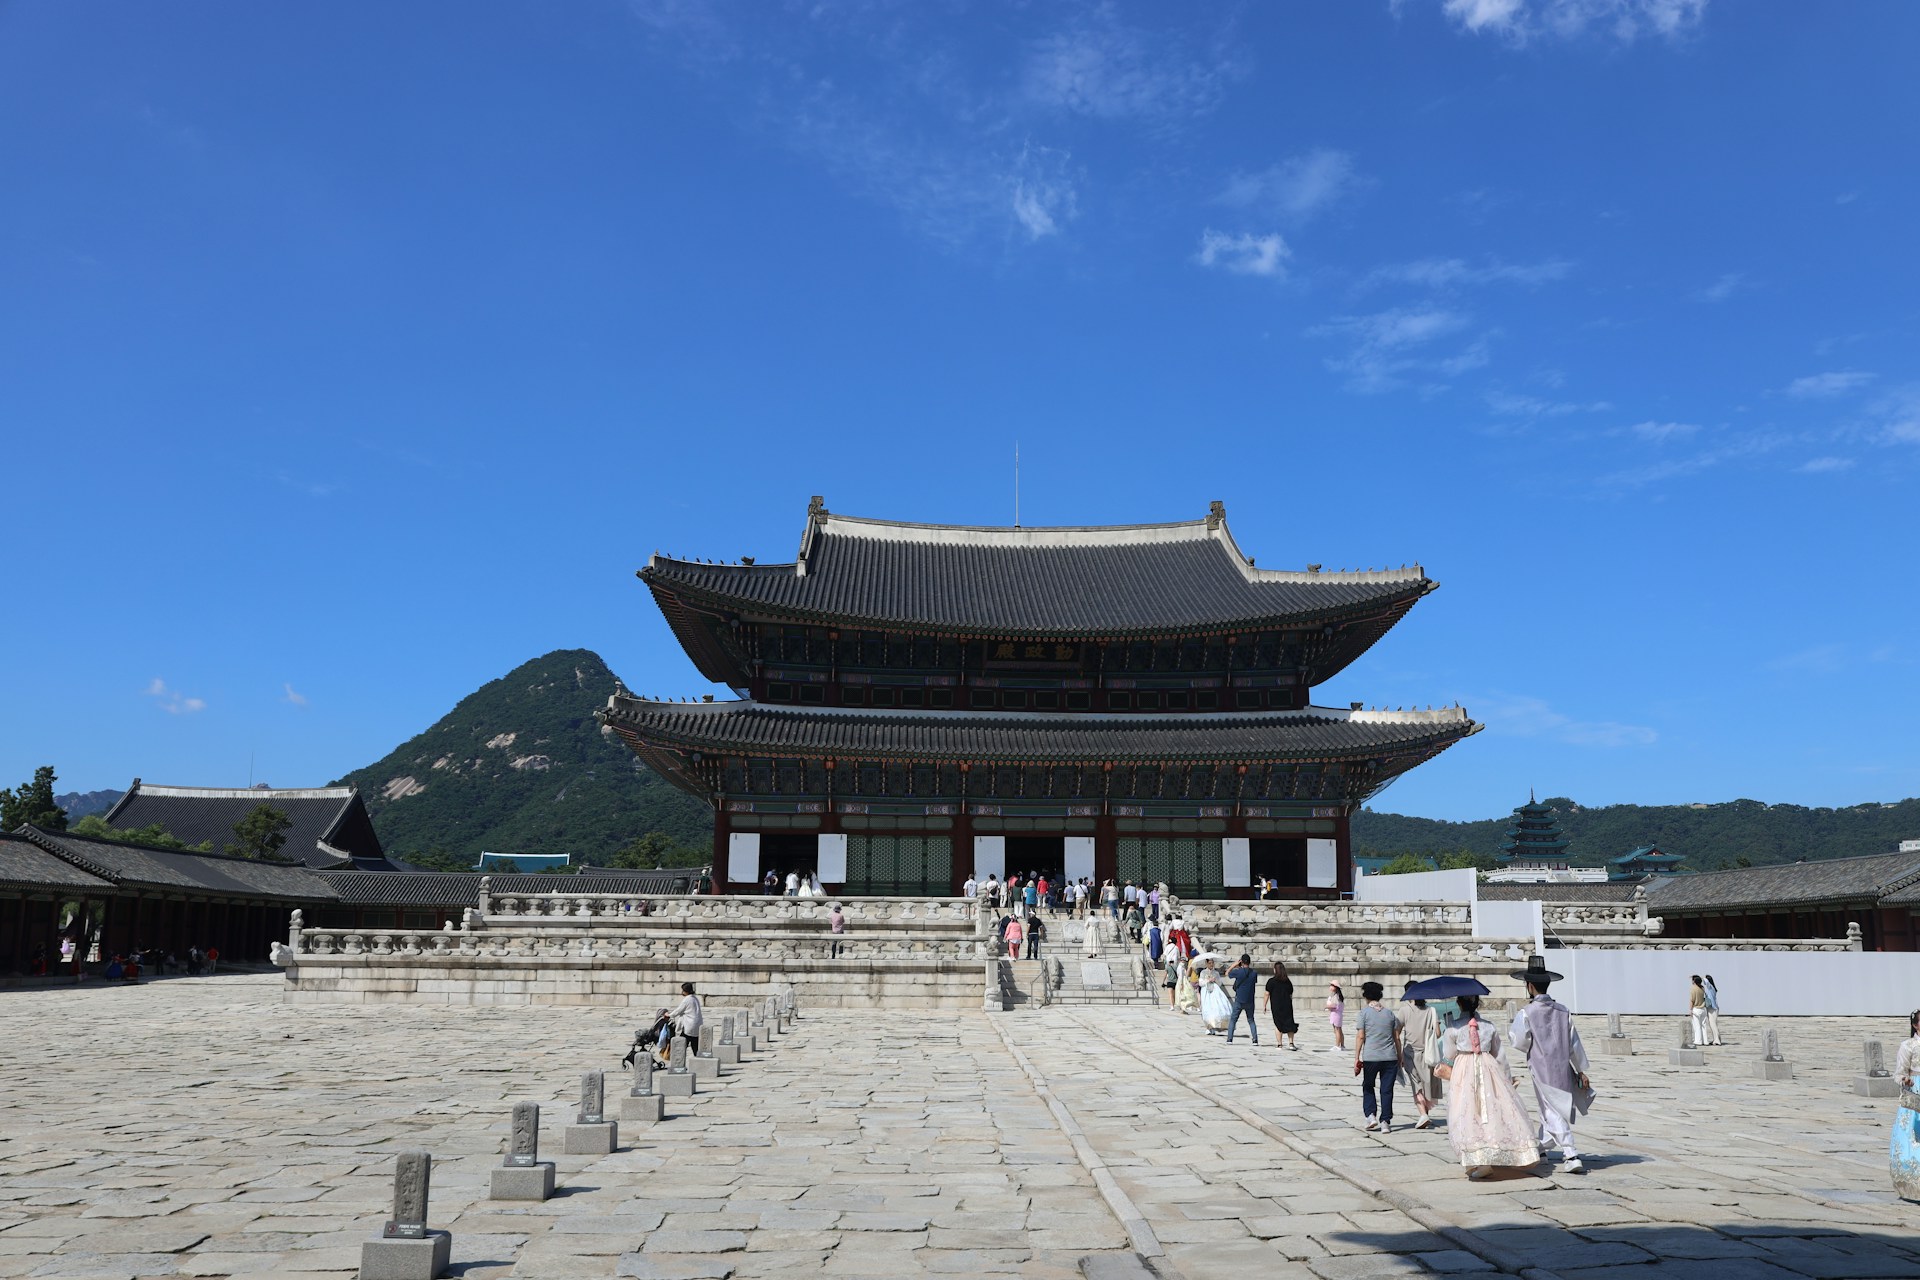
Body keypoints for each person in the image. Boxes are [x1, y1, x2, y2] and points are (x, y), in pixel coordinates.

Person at [1439, 994, 1539, 1179]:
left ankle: (1476, 1158)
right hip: (1488, 1067)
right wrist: (1507, 1081)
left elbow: (1448, 1054)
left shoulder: (1453, 1027)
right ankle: (1497, 1151)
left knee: (1466, 1111)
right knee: (1491, 1111)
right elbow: (1500, 1056)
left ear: (1458, 1003)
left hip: (1464, 1070)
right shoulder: (1488, 1026)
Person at [1509, 955, 1591, 1174]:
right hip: (1563, 1068)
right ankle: (1540, 1148)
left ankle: (1570, 1153)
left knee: (1553, 1109)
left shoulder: (1527, 1013)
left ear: (1530, 986)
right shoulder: (1563, 1011)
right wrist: (1580, 1069)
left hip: (1541, 1067)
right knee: (1550, 1109)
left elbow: (1519, 1041)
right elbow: (1574, 1043)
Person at [1354, 982, 1401, 1130]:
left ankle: (1371, 1115)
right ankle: (1385, 1122)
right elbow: (1397, 1037)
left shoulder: (1363, 1013)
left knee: (1368, 1086)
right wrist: (1400, 1056)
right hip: (1390, 1057)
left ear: (1365, 996)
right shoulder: (1390, 1013)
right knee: (1387, 1090)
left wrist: (1356, 1057)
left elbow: (1360, 1036)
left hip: (1371, 1057)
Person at [1398, 981, 1440, 1128]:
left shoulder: (1404, 1010)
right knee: (1426, 1084)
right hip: (1428, 1054)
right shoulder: (1431, 1010)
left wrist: (1399, 1054)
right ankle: (1426, 1115)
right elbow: (1438, 1034)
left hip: (1411, 1054)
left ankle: (1423, 1114)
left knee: (1416, 1086)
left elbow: (1396, 1032)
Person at [1891, 1008, 1920, 1201]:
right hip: (1916, 1093)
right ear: (1915, 1025)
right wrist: (1906, 1080)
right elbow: (1899, 1073)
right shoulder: (1908, 1045)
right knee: (1913, 1138)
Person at [1225, 954, 1260, 1046]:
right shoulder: (1254, 973)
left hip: (1239, 1000)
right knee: (1251, 1020)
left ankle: (1229, 1039)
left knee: (1233, 1019)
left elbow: (1227, 973)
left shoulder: (1238, 972)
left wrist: (1234, 965)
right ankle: (1255, 1039)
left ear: (1242, 962)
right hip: (1250, 1000)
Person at [1264, 961, 1299, 1050]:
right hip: (1287, 1005)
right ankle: (1291, 1043)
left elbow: (1267, 994)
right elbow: (1290, 994)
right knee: (1289, 1023)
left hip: (1276, 1006)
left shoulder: (1271, 981)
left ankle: (1279, 1044)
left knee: (1278, 1024)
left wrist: (1264, 1005)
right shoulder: (1287, 982)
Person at [1197, 959, 1231, 1034]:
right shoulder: (1203, 972)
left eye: (1212, 963)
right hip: (1206, 992)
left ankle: (1214, 1026)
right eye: (1209, 963)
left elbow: (1220, 983)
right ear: (1206, 963)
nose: (1211, 965)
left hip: (1215, 992)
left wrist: (1214, 980)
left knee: (1215, 1009)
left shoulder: (1216, 973)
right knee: (1207, 1009)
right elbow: (1200, 983)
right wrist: (1207, 980)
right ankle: (1208, 1027)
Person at [1701, 974, 1724, 1045]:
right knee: (1713, 1024)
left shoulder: (1710, 987)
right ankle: (1716, 1039)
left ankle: (1717, 1040)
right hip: (1713, 1008)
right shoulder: (1711, 988)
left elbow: (1706, 982)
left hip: (1712, 1009)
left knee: (1713, 1024)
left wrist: (1703, 977)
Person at [1688, 975, 1709, 1047]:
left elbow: (1692, 1000)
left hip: (1696, 1009)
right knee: (1704, 1026)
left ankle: (1698, 1041)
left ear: (1694, 981)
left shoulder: (1693, 989)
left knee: (1697, 1026)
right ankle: (1705, 1041)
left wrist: (1690, 1010)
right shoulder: (1702, 988)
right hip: (1703, 1009)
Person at [1327, 983, 1346, 1052]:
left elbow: (1334, 1006)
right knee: (1339, 1030)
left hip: (1335, 1014)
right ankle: (1342, 1045)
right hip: (1338, 1014)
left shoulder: (1335, 996)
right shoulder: (1338, 996)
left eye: (1332, 985)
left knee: (1337, 1030)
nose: (1330, 987)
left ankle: (1337, 1045)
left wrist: (1327, 1006)